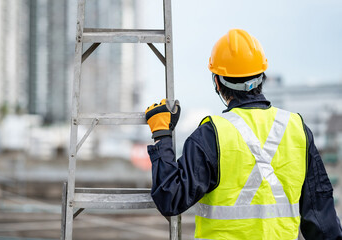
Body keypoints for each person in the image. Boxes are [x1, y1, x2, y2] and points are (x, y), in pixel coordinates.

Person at [145, 29, 342, 239]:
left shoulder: (211, 135)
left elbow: (170, 197)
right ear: (262, 76)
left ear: (217, 83)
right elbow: (323, 222)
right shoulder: (297, 129)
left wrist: (162, 135)